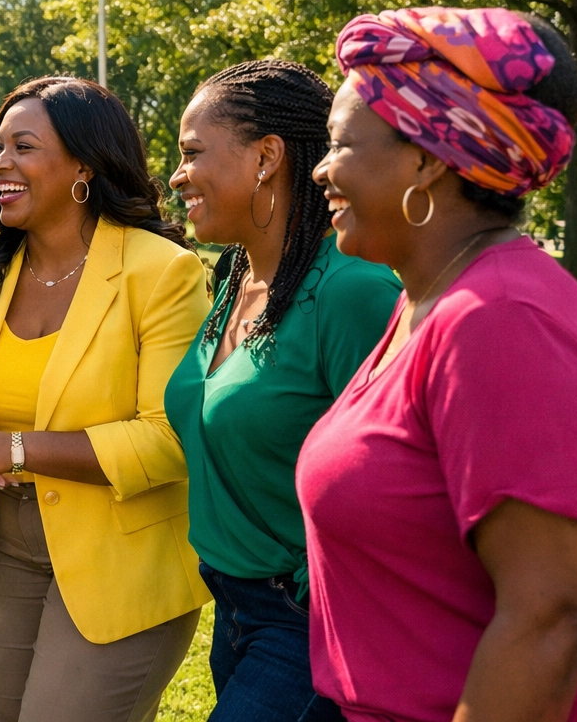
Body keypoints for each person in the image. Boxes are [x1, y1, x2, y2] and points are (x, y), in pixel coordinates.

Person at [298, 7, 577, 721]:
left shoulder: (497, 319)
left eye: (340, 144)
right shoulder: (427, 302)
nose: (320, 169)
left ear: (428, 158)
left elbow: (555, 612)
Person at [0, 75, 211, 722]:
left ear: (84, 164)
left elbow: (169, 439)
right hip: (0, 553)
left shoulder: (162, 270)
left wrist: (15, 449)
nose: (1, 163)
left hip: (122, 557)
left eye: (23, 147)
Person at [163, 61, 400, 721]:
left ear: (267, 157)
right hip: (233, 610)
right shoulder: (235, 275)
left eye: (191, 154)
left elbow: (403, 479)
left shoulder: (354, 291)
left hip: (306, 622)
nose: (177, 175)